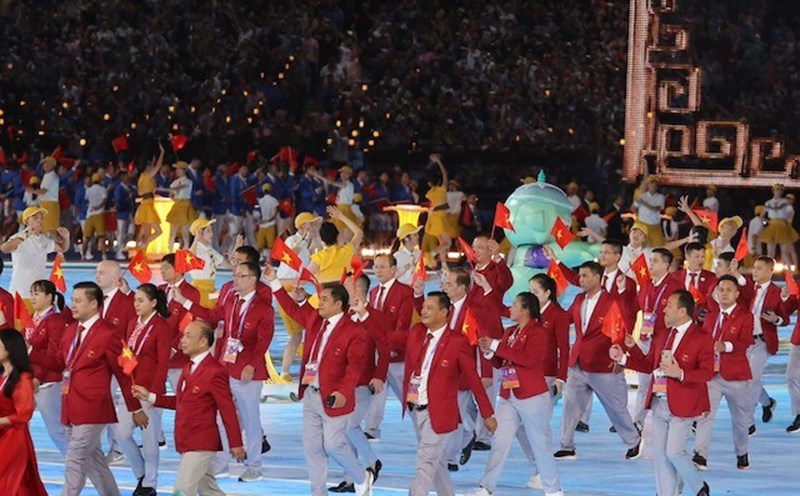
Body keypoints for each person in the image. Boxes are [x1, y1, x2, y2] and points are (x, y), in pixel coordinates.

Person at [265, 264, 374, 496]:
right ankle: (318, 492)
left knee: (333, 445)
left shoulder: (355, 332)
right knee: (313, 448)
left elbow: (354, 369)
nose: (319, 303)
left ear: (338, 304)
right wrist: (275, 282)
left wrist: (344, 393)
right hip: (312, 395)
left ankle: (361, 476)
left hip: (335, 397)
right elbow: (292, 310)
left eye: (324, 299)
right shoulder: (316, 320)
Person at [173, 261, 274, 482]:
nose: (235, 279)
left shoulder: (263, 308)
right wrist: (185, 302)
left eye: (240, 276)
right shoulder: (232, 301)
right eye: (235, 275)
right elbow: (210, 316)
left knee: (250, 420)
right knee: (220, 416)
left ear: (252, 280)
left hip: (248, 371)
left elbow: (263, 340)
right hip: (227, 367)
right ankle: (222, 461)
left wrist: (252, 364)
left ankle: (254, 465)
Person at [610, 290, 713, 496]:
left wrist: (681, 373)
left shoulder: (701, 338)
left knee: (674, 451)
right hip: (659, 402)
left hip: (683, 402)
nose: (664, 309)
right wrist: (624, 358)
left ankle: (699, 487)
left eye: (669, 306)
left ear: (682, 311)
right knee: (661, 455)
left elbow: (708, 372)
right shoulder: (663, 334)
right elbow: (649, 365)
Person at [132, 320, 246, 496]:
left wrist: (236, 443)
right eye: (184, 335)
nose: (182, 340)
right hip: (187, 440)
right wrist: (150, 396)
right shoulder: (188, 368)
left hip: (201, 442)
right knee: (208, 490)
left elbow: (227, 409)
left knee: (182, 491)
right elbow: (182, 401)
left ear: (203, 342)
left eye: (189, 336)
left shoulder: (215, 371)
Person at [468, 292, 564, 496]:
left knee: (540, 443)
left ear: (526, 309)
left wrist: (496, 346)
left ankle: (553, 489)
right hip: (508, 394)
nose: (510, 309)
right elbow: (501, 361)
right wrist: (489, 352)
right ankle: (487, 486)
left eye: (514, 305)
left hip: (531, 395)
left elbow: (528, 359)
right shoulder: (510, 331)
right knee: (500, 441)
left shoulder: (539, 332)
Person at [403, 291, 496, 496]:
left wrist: (487, 414)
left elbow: (473, 379)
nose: (424, 311)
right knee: (436, 463)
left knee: (425, 461)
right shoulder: (417, 332)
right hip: (416, 407)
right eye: (424, 307)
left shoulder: (457, 341)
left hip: (440, 412)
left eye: (429, 308)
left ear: (444, 312)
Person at [57, 281, 145, 496]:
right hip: (70, 406)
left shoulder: (108, 333)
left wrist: (135, 408)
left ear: (94, 303)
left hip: (93, 408)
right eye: (72, 300)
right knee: (93, 462)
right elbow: (58, 362)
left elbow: (125, 372)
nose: (73, 305)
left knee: (75, 458)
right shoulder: (71, 331)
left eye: (78, 301)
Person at [554, 261, 642, 461]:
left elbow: (621, 331)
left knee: (615, 409)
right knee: (570, 406)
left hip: (604, 365)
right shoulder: (578, 300)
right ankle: (566, 445)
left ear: (597, 278)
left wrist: (619, 351)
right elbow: (565, 319)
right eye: (580, 276)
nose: (581, 280)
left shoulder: (612, 302)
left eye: (585, 276)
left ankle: (633, 440)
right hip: (578, 363)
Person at [329, 274, 389, 493]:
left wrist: (379, 376)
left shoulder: (375, 317)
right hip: (340, 383)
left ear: (360, 290)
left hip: (363, 382)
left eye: (348, 287)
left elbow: (384, 348)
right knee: (344, 430)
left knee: (349, 426)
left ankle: (371, 462)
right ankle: (351, 477)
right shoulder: (342, 316)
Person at [115, 284, 171, 496]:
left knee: (149, 438)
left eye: (141, 300)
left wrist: (154, 395)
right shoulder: (132, 323)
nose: (136, 304)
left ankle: (150, 483)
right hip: (131, 387)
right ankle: (141, 473)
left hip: (148, 390)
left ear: (153, 303)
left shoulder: (161, 327)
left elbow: (163, 362)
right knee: (121, 434)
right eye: (135, 300)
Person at [692, 275, 754, 470]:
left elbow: (745, 342)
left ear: (737, 294)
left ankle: (742, 452)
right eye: (721, 290)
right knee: (705, 415)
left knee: (740, 418)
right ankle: (700, 454)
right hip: (712, 375)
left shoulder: (745, 316)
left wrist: (725, 346)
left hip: (735, 375)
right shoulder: (710, 316)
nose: (724, 293)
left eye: (728, 290)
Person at [361, 254, 414, 440]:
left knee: (408, 396)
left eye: (382, 267)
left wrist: (389, 344)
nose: (378, 270)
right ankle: (371, 428)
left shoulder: (405, 292)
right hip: (379, 353)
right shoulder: (374, 292)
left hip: (397, 354)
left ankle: (425, 427)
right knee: (376, 390)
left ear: (393, 270)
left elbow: (404, 324)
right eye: (375, 266)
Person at [0, 328, 48, 495]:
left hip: (13, 436)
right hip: (2, 434)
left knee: (9, 480)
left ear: (10, 348)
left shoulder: (22, 378)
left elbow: (24, 414)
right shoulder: (2, 375)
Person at [26, 279, 70, 455]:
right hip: (30, 380)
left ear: (49, 297)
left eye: (37, 293)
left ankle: (78, 463)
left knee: (56, 429)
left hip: (47, 383)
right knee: (19, 423)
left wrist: (39, 377)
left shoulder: (55, 321)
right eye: (32, 293)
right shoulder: (32, 318)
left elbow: (54, 354)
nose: (33, 297)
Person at [744, 256, 787, 435]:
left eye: (759, 268)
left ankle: (747, 421)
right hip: (745, 341)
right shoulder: (749, 289)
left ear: (770, 272)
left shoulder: (776, 292)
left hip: (763, 341)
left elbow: (784, 319)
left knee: (752, 379)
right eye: (754, 268)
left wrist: (775, 319)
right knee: (748, 379)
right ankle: (768, 402)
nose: (754, 271)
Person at [277, 212, 322, 380]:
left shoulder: (304, 244)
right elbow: (290, 255)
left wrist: (315, 237)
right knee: (296, 334)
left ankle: (305, 360)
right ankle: (285, 372)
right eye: (311, 224)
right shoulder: (292, 241)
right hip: (289, 290)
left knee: (313, 326)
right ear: (302, 226)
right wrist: (304, 238)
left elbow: (317, 255)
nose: (313, 226)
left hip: (299, 290)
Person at [1, 205, 70, 308]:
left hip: (39, 295)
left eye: (41, 218)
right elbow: (4, 248)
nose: (40, 221)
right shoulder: (19, 237)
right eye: (35, 218)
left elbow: (62, 248)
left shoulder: (43, 240)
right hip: (20, 293)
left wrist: (66, 238)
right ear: (27, 221)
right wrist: (26, 235)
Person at [159, 254, 202, 390]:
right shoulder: (160, 289)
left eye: (166, 268)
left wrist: (173, 348)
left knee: (181, 395)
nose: (162, 271)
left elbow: (187, 323)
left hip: (177, 355)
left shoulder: (190, 292)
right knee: (153, 397)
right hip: (157, 352)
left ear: (177, 269)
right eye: (161, 268)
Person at [309, 206, 364, 283]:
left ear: (322, 240)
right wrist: (341, 216)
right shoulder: (346, 251)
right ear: (338, 237)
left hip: (325, 293)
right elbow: (359, 233)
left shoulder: (318, 258)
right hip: (344, 292)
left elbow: (304, 278)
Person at [187, 218, 227, 308]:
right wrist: (196, 239)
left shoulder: (209, 250)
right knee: (204, 312)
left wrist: (237, 247)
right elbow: (190, 255)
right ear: (199, 233)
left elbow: (226, 263)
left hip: (210, 288)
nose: (212, 234)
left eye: (211, 231)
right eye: (208, 231)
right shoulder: (196, 249)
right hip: (200, 289)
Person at [422, 154, 451, 266]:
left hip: (434, 218)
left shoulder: (430, 192)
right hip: (439, 218)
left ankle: (444, 265)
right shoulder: (442, 189)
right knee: (447, 243)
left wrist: (432, 163)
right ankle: (431, 254)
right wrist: (438, 162)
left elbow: (428, 175)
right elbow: (445, 174)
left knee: (443, 243)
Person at [134, 145, 165, 249]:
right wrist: (162, 153)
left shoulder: (142, 177)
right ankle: (143, 245)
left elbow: (139, 192)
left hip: (145, 204)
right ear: (148, 167)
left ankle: (141, 252)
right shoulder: (147, 176)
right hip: (147, 206)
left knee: (147, 233)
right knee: (158, 231)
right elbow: (158, 166)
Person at [166, 161, 194, 249]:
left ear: (184, 170)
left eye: (178, 169)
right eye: (176, 169)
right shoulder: (175, 182)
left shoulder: (188, 182)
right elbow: (171, 194)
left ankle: (186, 252)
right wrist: (174, 198)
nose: (177, 171)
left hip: (185, 207)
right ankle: (170, 253)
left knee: (185, 233)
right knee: (172, 233)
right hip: (177, 206)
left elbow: (178, 188)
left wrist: (161, 189)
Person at [633, 177, 666, 247]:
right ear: (648, 186)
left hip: (655, 226)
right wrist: (638, 215)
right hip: (642, 225)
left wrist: (644, 203)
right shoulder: (642, 195)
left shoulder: (661, 197)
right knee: (640, 245)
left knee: (659, 245)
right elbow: (634, 208)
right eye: (652, 185)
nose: (653, 187)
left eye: (655, 185)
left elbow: (656, 209)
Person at [82, 172, 108, 260]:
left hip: (90, 215)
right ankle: (104, 256)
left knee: (86, 237)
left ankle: (83, 256)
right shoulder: (103, 189)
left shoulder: (88, 190)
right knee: (101, 237)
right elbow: (104, 199)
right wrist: (99, 206)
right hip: (99, 214)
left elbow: (87, 199)